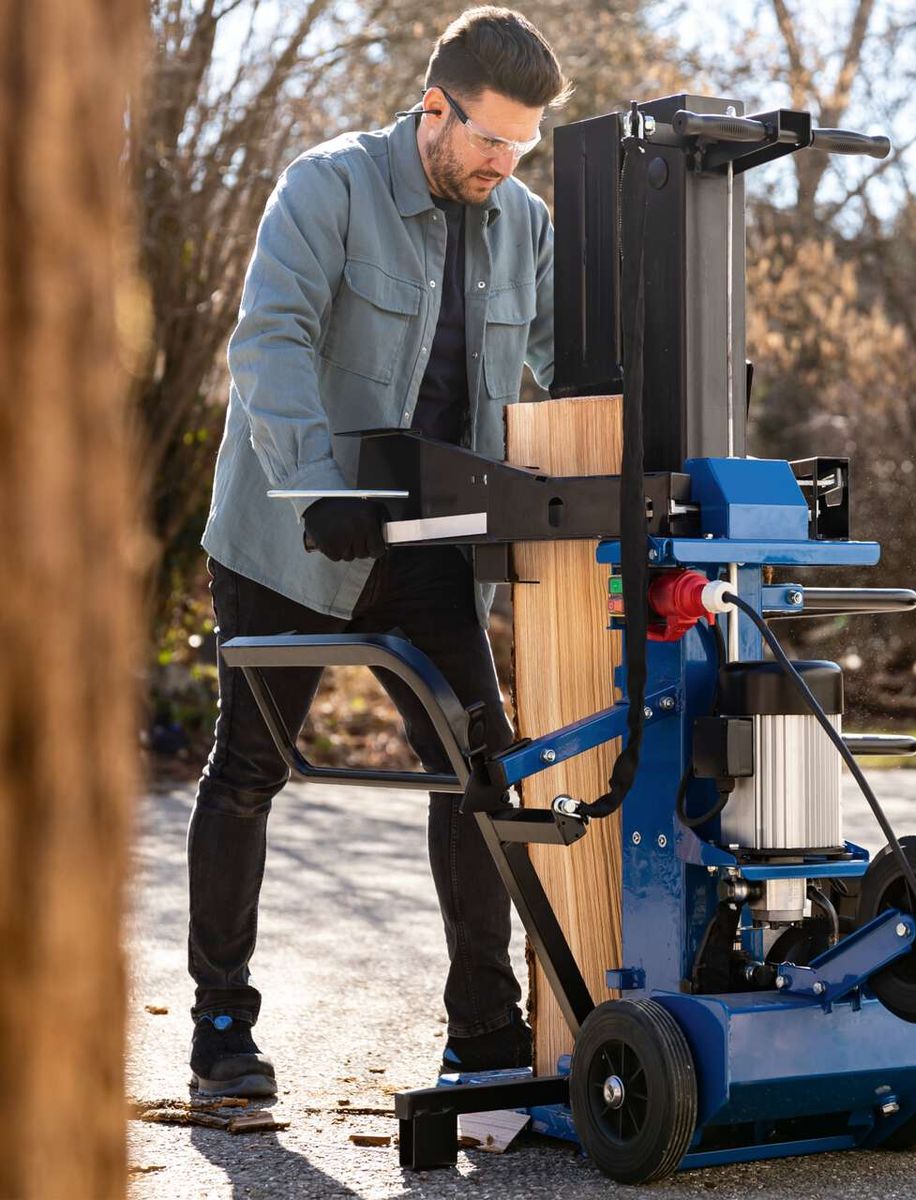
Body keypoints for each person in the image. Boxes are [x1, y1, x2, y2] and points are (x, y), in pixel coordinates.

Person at [190, 6, 569, 1098]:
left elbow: (569, 364)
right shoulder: (328, 186)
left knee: (481, 772)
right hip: (293, 535)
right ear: (434, 108)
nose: (505, 163)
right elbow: (270, 340)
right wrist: (319, 484)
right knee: (251, 768)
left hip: (432, 546)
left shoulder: (523, 223)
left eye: (524, 144)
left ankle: (482, 1033)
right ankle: (222, 1027)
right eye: (490, 138)